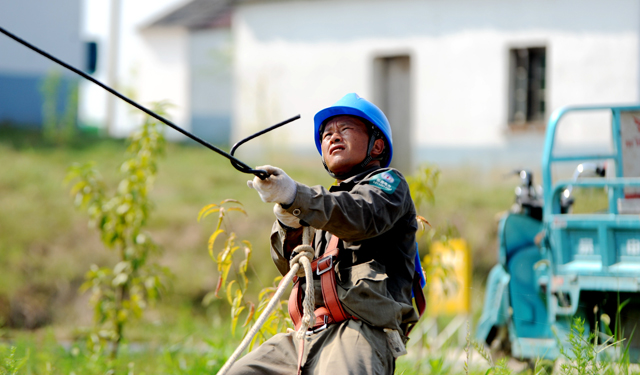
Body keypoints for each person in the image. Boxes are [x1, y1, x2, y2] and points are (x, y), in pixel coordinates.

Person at [228, 93, 422, 375]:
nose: (333, 137)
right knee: (241, 372)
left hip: (359, 329)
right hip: (308, 332)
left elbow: (360, 216)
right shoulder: (320, 208)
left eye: (345, 129)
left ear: (377, 145)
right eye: (327, 134)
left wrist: (298, 197)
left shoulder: (388, 185)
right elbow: (290, 269)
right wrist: (289, 222)